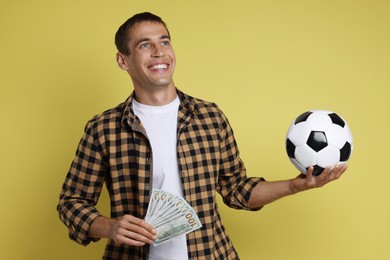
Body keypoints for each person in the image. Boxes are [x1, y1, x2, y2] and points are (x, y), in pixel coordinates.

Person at [57, 12, 347, 259]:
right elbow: (71, 202)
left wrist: (295, 186)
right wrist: (110, 227)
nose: (159, 52)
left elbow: (236, 189)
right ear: (124, 61)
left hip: (211, 253)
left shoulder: (209, 116)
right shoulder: (103, 128)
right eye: (145, 45)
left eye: (165, 41)